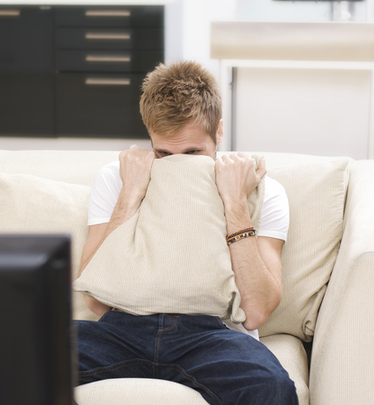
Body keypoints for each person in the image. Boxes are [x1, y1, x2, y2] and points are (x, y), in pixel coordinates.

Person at [75, 61, 298, 405]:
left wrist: (235, 202)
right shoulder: (116, 178)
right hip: (121, 330)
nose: (179, 165)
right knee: (13, 358)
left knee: (272, 386)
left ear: (218, 133)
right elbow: (95, 300)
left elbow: (256, 311)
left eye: (193, 154)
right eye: (164, 154)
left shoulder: (262, 190)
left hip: (212, 336)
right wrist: (130, 195)